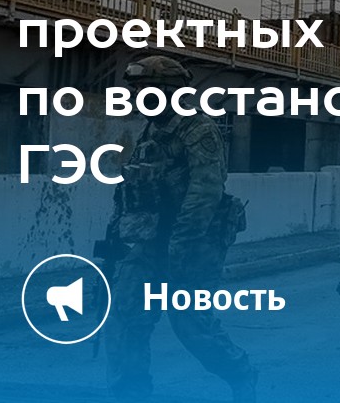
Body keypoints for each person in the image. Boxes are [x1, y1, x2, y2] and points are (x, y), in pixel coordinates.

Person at [105, 56, 256, 402]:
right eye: (135, 90)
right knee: (126, 319)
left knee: (192, 328)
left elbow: (205, 192)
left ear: (168, 92)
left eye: (143, 90)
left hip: (194, 245)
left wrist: (179, 247)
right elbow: (135, 188)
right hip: (150, 242)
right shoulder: (152, 130)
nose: (136, 97)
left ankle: (241, 374)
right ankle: (131, 394)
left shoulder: (198, 130)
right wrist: (117, 235)